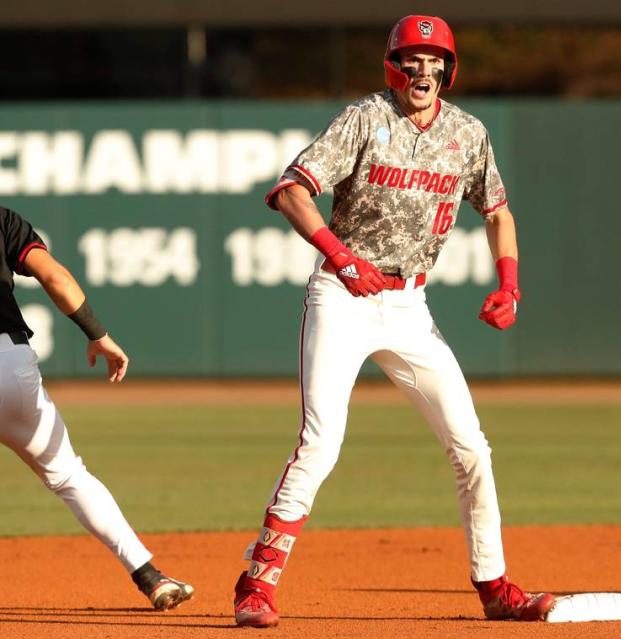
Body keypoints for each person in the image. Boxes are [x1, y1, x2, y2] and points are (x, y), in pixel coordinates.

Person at [232, 14, 555, 628]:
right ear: (393, 65)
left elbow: (498, 212)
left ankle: (494, 586)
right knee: (321, 443)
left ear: (449, 69)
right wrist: (340, 255)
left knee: (471, 448)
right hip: (343, 294)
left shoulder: (467, 133)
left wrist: (510, 283)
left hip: (410, 306)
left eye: (434, 61)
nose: (423, 70)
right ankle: (258, 581)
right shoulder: (365, 118)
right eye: (412, 59)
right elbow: (291, 191)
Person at [0, 205, 194, 611]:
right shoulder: (2, 219)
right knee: (69, 475)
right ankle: (148, 575)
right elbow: (54, 276)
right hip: (8, 363)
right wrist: (98, 334)